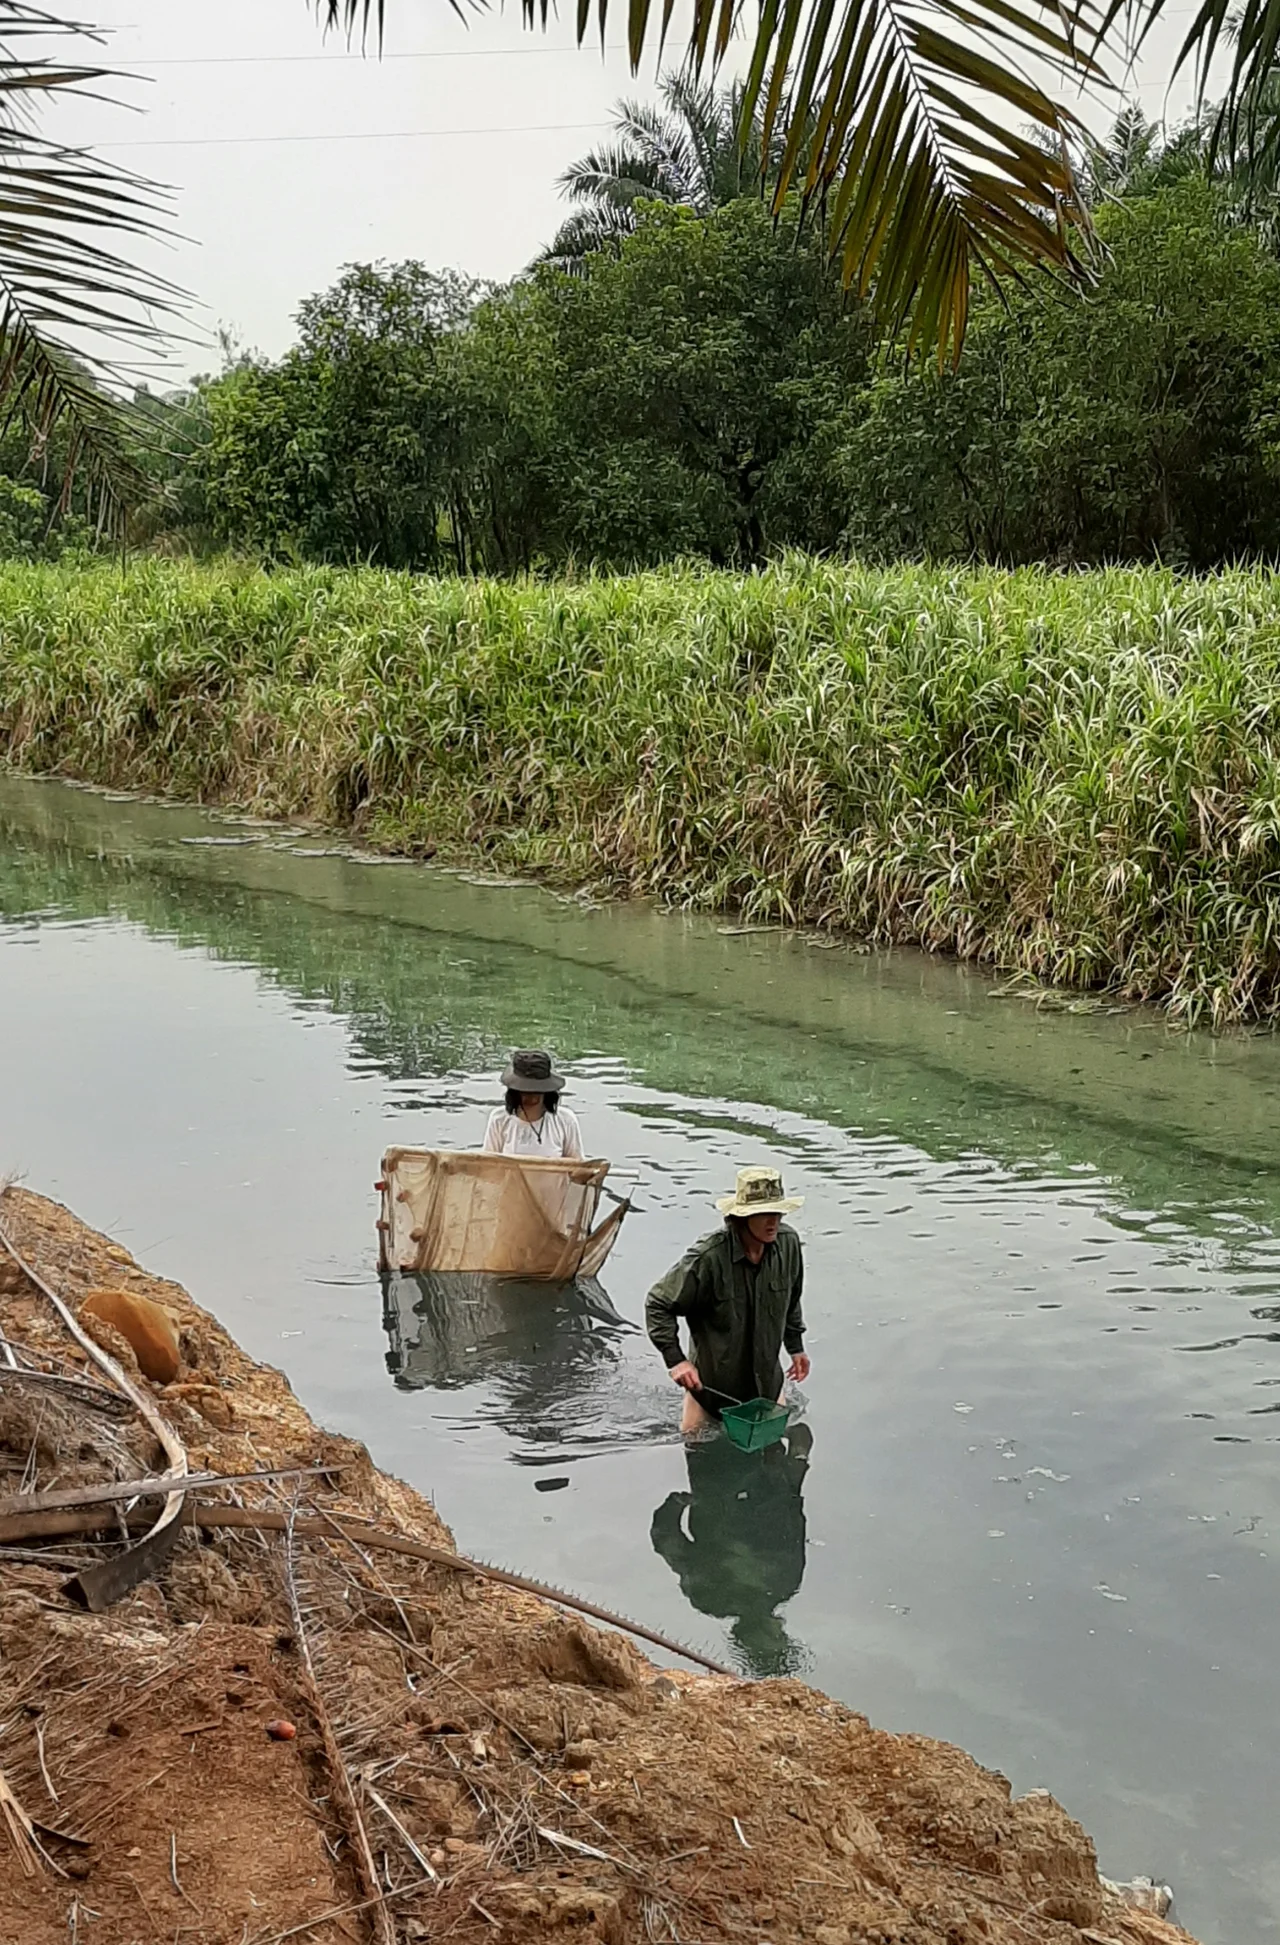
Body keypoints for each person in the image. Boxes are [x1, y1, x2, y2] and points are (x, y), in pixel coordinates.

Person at [645, 1164, 810, 1434]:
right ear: (742, 1217)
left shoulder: (789, 1244)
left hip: (767, 1387)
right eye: (764, 1213)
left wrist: (796, 1347)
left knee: (772, 1456)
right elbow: (658, 1303)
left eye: (777, 1211)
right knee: (696, 1447)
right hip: (711, 1391)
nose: (774, 1221)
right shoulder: (708, 1258)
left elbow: (792, 1298)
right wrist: (676, 1361)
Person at [482, 1048, 584, 1158]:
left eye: (536, 1092)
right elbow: (488, 1167)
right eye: (524, 1091)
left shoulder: (566, 1121)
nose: (530, 1097)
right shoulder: (499, 1120)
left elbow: (577, 1169)